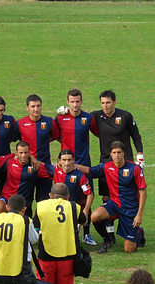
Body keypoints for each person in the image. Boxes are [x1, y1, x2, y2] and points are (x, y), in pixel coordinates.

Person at [33, 183, 86, 284]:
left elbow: (35, 226)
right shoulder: (73, 207)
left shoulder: (41, 206)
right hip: (67, 260)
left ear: (50, 195)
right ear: (67, 197)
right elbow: (83, 220)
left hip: (45, 261)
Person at [91, 90, 144, 244]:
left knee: (128, 197)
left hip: (125, 163)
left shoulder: (125, 116)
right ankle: (110, 235)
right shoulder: (97, 116)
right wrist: (66, 111)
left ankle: (134, 227)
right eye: (102, 103)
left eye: (108, 103)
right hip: (106, 164)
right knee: (107, 197)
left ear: (114, 102)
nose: (105, 106)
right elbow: (80, 116)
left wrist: (140, 156)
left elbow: (136, 135)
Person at [75, 141, 147, 254]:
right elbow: (89, 171)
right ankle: (107, 239)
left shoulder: (135, 168)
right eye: (114, 152)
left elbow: (143, 192)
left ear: (124, 153)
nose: (117, 155)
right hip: (114, 204)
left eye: (119, 152)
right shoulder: (107, 167)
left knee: (129, 250)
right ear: (111, 154)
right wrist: (73, 165)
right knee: (95, 216)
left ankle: (139, 232)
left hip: (130, 208)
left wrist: (139, 215)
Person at [55, 89, 98, 245]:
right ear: (67, 102)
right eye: (72, 101)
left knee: (86, 197)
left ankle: (87, 233)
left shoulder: (88, 118)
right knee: (64, 196)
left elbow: (99, 133)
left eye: (77, 101)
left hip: (84, 164)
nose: (75, 104)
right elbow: (55, 134)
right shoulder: (60, 117)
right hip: (66, 164)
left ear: (82, 101)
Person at [14, 94, 60, 202]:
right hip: (26, 167)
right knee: (25, 201)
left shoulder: (49, 122)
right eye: (33, 106)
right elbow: (15, 139)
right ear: (27, 107)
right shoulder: (20, 123)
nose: (36, 109)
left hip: (44, 166)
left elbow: (57, 137)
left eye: (38, 106)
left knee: (44, 201)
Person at [0, 141, 51, 218]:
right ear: (16, 153)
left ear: (29, 153)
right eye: (21, 153)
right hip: (6, 198)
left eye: (26, 153)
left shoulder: (34, 166)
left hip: (21, 202)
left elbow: (52, 171)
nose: (23, 155)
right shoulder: (9, 162)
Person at [53, 149, 96, 246]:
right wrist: (31, 157)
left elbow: (90, 194)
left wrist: (85, 210)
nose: (67, 163)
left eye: (69, 160)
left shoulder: (80, 176)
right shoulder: (55, 170)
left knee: (70, 242)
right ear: (59, 161)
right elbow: (39, 165)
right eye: (64, 160)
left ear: (73, 161)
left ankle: (84, 235)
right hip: (57, 209)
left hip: (73, 211)